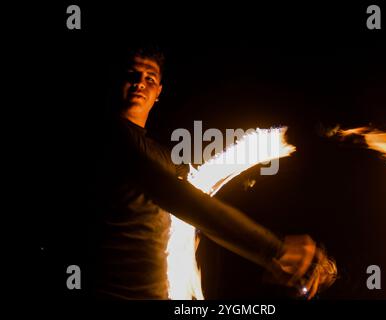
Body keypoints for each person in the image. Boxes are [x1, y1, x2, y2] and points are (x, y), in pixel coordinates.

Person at [89, 45, 336, 300]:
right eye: (132, 73)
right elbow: (184, 199)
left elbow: (195, 189)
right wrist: (274, 249)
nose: (140, 82)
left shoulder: (159, 155)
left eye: (150, 77)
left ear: (159, 91)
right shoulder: (110, 138)